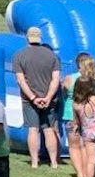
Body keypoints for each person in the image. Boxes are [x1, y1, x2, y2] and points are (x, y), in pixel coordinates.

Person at [10, 26, 64, 169]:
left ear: (27, 38)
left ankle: (34, 162)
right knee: (49, 130)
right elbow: (56, 79)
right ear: (40, 38)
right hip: (49, 100)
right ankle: (53, 162)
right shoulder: (52, 56)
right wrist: (48, 97)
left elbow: (21, 81)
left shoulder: (19, 55)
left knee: (33, 130)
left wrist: (33, 97)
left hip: (29, 100)